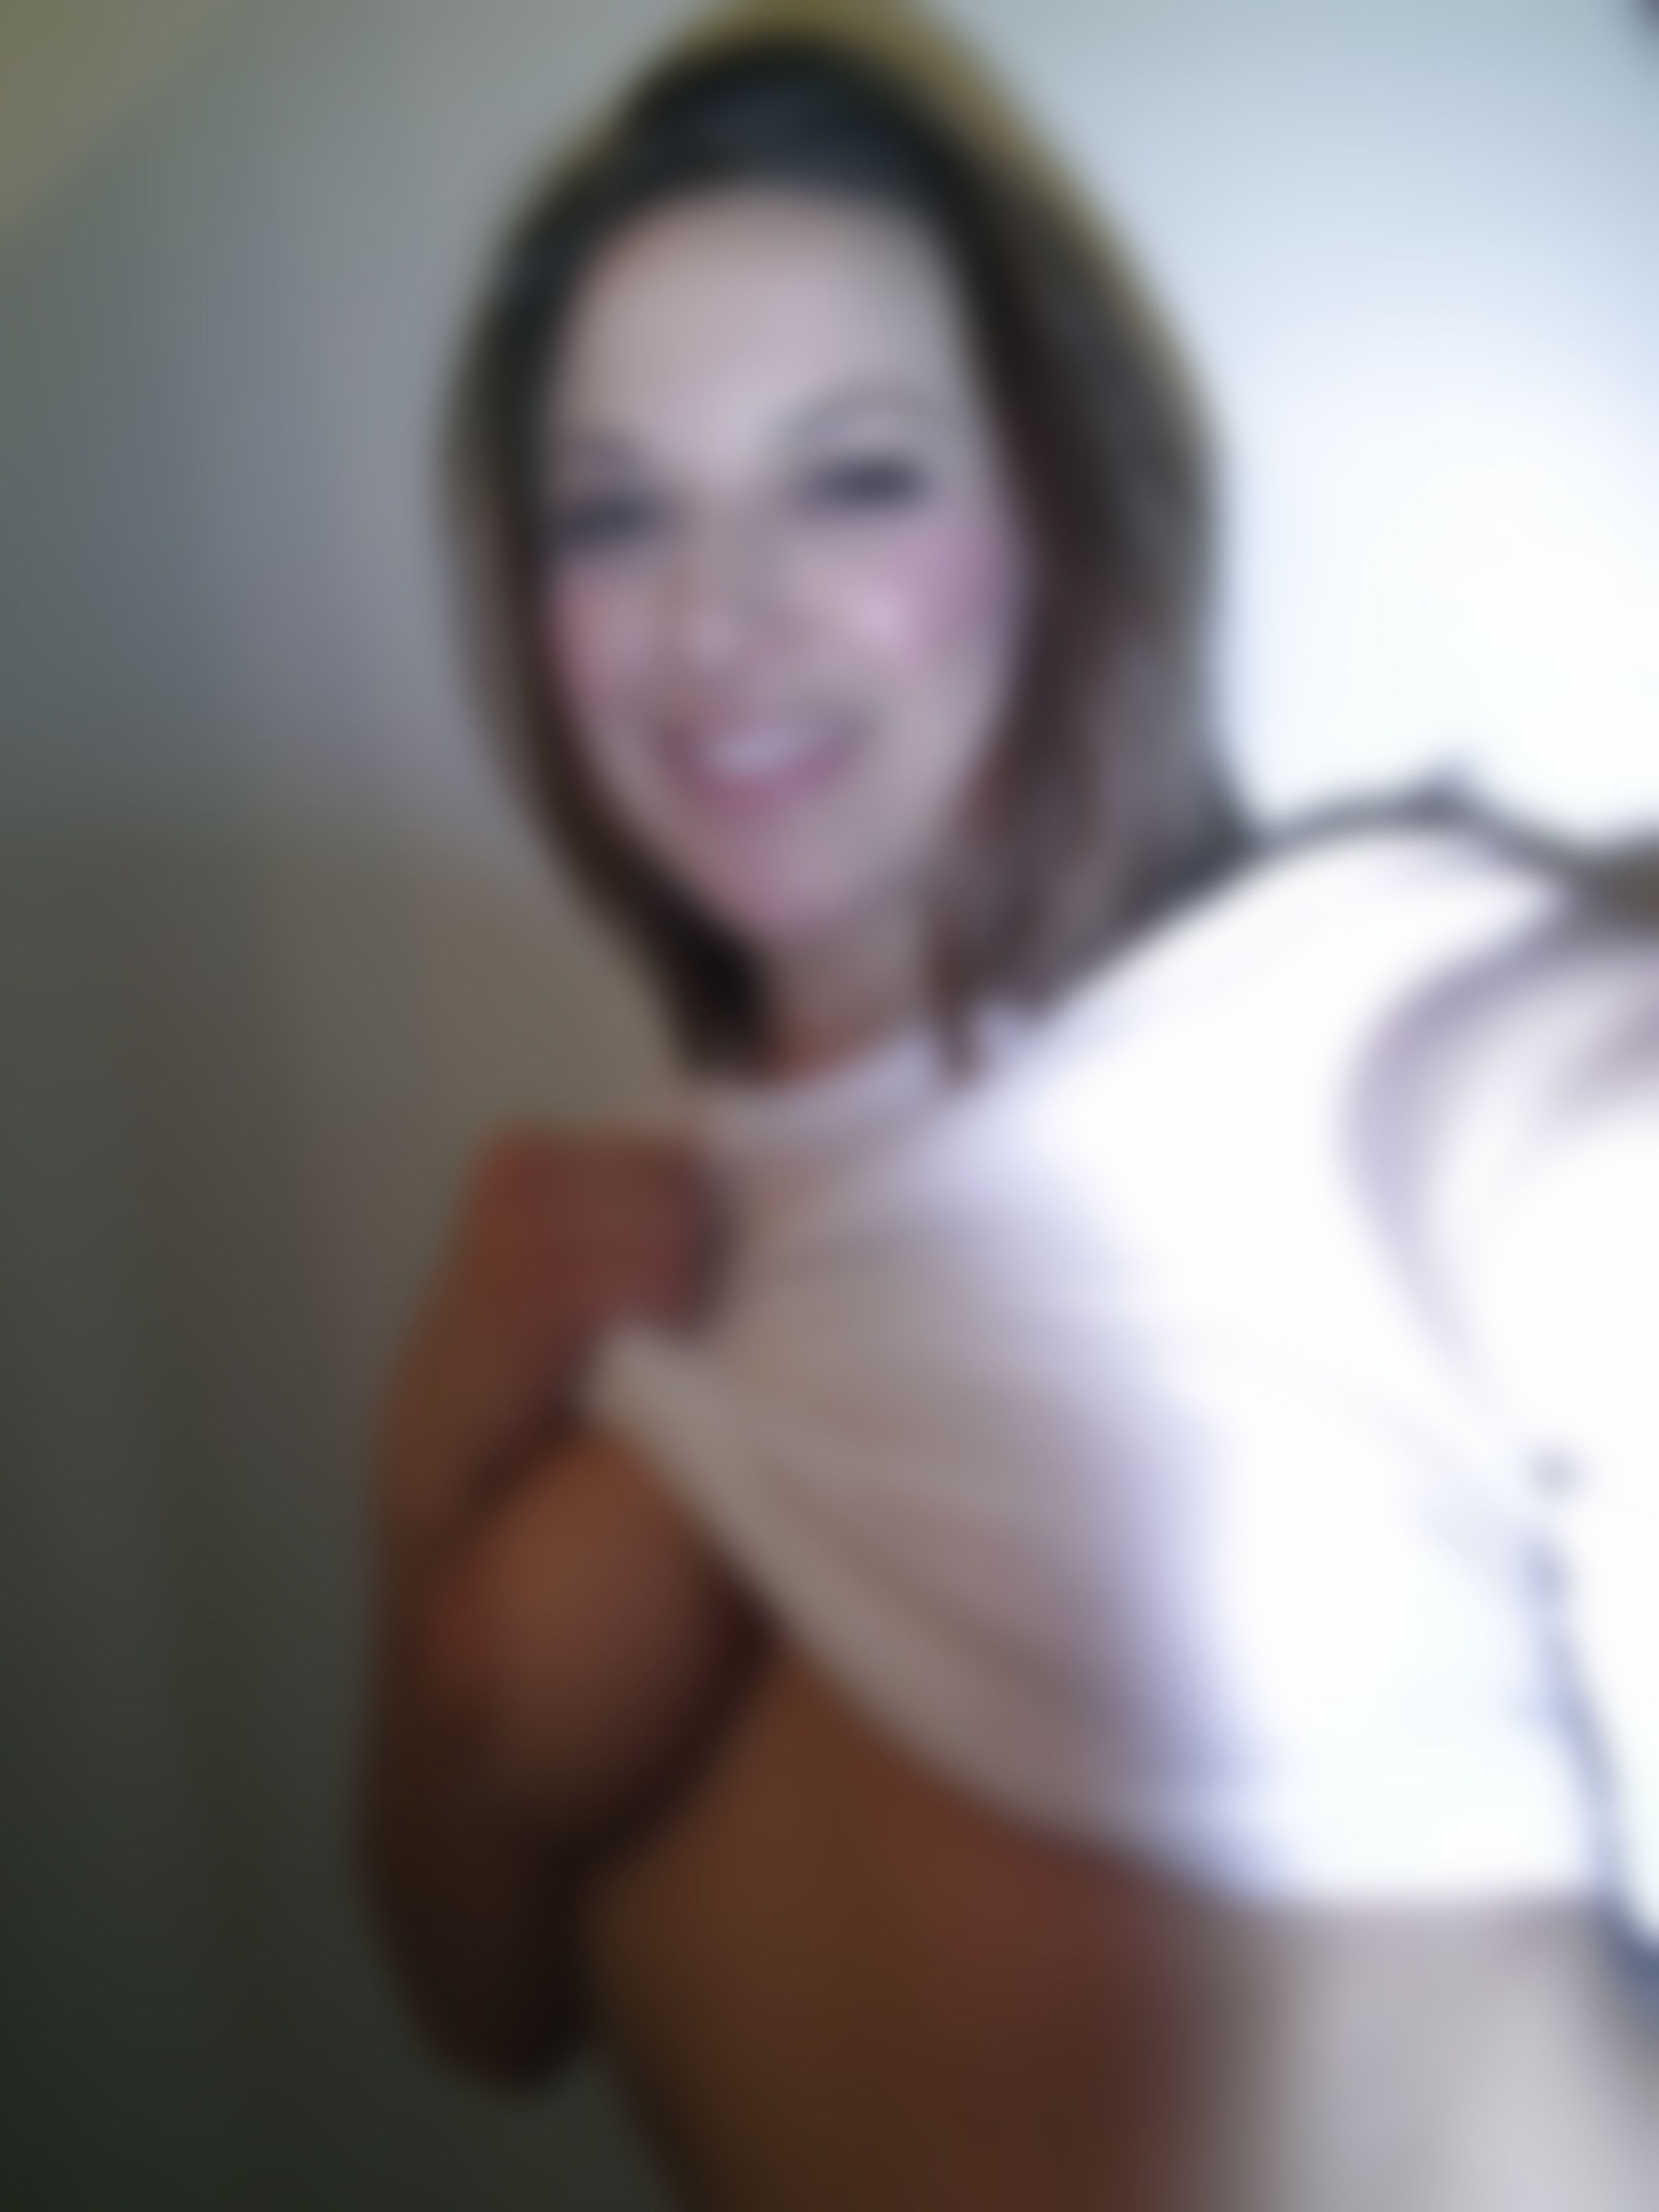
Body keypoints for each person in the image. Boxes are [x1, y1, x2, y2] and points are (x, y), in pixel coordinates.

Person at [360, 21, 1659, 2210]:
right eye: (615, 510)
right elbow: (481, 2013)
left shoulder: (1379, 1062)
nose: (711, 615)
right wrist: (426, 1481)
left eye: (853, 475)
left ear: (1067, 516)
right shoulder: (605, 1277)